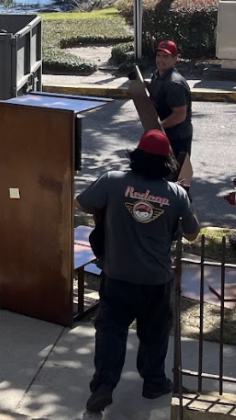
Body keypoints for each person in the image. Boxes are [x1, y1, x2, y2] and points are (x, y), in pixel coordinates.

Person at [75, 129, 200, 414]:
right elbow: (192, 235)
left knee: (111, 331)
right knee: (155, 333)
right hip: (156, 280)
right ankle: (154, 381)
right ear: (166, 163)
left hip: (117, 274)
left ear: (136, 156)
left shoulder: (113, 181)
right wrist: (187, 199)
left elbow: (80, 203)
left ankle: (104, 386)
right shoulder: (176, 193)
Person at [148, 39, 193, 190]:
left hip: (177, 138)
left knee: (178, 181)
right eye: (159, 55)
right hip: (164, 136)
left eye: (166, 57)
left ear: (175, 59)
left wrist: (157, 127)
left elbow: (180, 115)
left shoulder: (174, 84)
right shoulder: (157, 75)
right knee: (162, 180)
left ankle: (185, 210)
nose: (161, 60)